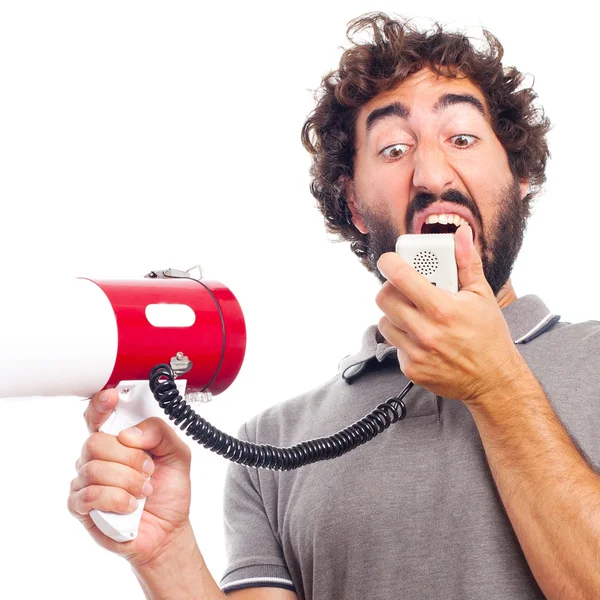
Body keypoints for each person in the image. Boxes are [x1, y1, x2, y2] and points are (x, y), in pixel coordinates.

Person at [68, 12, 600, 600]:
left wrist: (496, 384)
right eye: (394, 149)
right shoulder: (275, 444)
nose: (430, 174)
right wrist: (166, 554)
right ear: (352, 202)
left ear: (520, 173)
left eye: (463, 138)